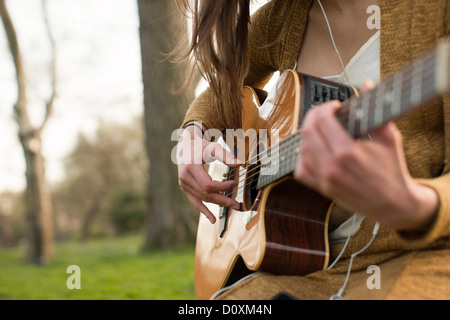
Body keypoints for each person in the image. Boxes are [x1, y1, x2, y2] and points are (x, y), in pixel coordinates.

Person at [176, 0, 450, 299]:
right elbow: (222, 87)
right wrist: (192, 134)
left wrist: (412, 204)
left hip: (424, 259)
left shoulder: (436, 10)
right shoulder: (283, 18)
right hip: (308, 271)